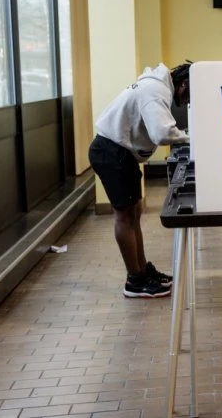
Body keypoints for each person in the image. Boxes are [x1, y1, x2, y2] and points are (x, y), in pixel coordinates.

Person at [89, 62, 190, 298]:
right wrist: (189, 137)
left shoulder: (156, 87)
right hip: (110, 152)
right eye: (187, 98)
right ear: (183, 85)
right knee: (124, 216)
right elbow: (162, 133)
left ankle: (142, 271)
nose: (185, 104)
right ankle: (134, 280)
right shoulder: (155, 91)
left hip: (120, 153)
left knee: (133, 213)